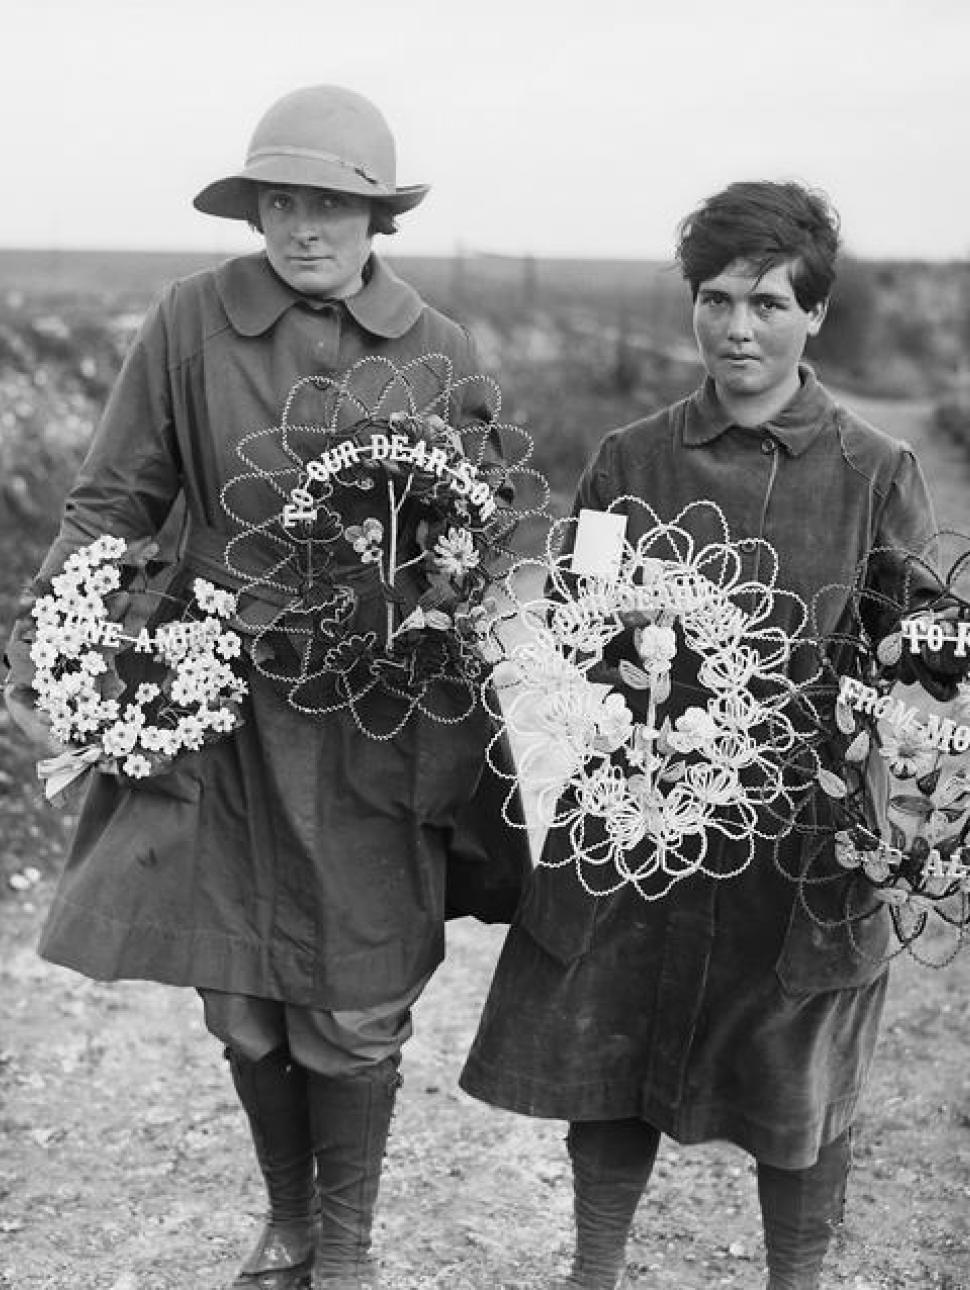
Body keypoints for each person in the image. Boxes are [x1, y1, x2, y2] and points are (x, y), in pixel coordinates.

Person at [3, 85, 528, 1290]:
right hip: (217, 712)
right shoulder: (190, 323)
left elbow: (483, 528)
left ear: (375, 218)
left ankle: (342, 1252)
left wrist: (440, 601)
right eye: (283, 201)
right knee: (239, 1003)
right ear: (256, 209)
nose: (305, 228)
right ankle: (287, 1221)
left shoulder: (438, 350)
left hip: (373, 724)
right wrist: (68, 648)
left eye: (333, 206)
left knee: (350, 1011)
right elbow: (110, 504)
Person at [459, 181, 958, 1289]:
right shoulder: (629, 461)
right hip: (643, 825)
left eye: (770, 304)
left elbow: (916, 651)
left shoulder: (875, 472)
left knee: (797, 1083)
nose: (739, 328)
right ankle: (595, 1271)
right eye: (718, 298)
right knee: (612, 1050)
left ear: (814, 316)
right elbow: (575, 635)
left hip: (801, 844)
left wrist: (925, 683)